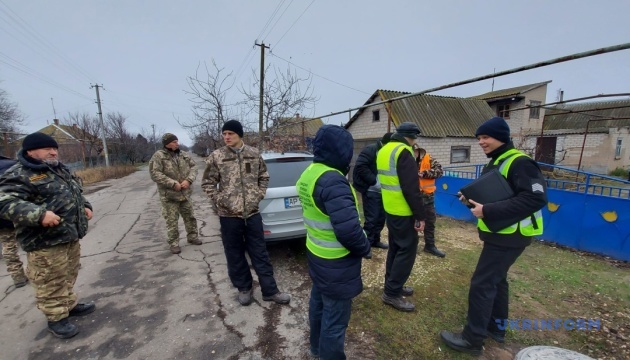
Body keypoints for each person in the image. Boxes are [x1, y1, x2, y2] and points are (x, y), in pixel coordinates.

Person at [439, 117, 547, 355]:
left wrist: (487, 210)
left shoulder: (521, 162)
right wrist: (472, 201)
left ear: (501, 137)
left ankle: (472, 339)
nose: (481, 142)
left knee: (482, 283)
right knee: (497, 280)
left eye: (485, 137)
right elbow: (498, 194)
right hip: (500, 233)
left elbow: (535, 198)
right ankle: (496, 328)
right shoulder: (497, 162)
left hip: (511, 235)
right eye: (478, 138)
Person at [0, 133, 95, 339]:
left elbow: (74, 191)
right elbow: (5, 202)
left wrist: (85, 205)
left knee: (68, 273)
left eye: (54, 149)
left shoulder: (58, 169)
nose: (53, 152)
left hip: (68, 235)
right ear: (30, 151)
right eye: (46, 149)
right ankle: (55, 319)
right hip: (44, 241)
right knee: (49, 280)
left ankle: (68, 305)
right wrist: (39, 214)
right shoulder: (19, 173)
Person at [297, 125, 371, 360]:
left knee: (318, 305)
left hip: (316, 254)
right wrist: (366, 247)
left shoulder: (310, 172)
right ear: (342, 152)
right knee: (335, 320)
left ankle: (316, 350)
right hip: (337, 263)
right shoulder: (333, 181)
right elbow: (349, 232)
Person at [201, 120, 290, 306]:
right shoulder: (217, 156)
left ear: (239, 135)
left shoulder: (253, 154)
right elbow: (208, 183)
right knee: (234, 254)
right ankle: (244, 288)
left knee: (260, 253)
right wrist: (220, 200)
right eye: (224, 134)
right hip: (229, 216)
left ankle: (270, 291)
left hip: (252, 213)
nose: (226, 137)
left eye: (230, 134)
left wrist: (258, 195)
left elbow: (263, 176)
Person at [376, 122, 426, 312]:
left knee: (395, 249)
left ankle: (392, 285)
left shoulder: (385, 149)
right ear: (412, 137)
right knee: (406, 251)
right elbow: (411, 189)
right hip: (404, 211)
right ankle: (392, 293)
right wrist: (420, 215)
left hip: (390, 208)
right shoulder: (404, 152)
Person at [149, 133, 201, 254]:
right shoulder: (159, 156)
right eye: (174, 142)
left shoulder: (183, 154)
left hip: (185, 193)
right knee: (172, 220)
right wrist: (172, 183)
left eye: (177, 141)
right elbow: (155, 173)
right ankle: (174, 243)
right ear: (166, 143)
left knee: (190, 217)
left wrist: (189, 180)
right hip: (169, 196)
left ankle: (192, 237)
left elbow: (194, 167)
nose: (177, 144)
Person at [352, 132, 392, 251]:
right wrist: (373, 181)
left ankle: (376, 241)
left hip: (383, 192)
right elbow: (360, 166)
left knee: (380, 218)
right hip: (371, 191)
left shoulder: (388, 152)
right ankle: (366, 246)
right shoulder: (371, 149)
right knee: (372, 219)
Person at [411, 143, 446, 258]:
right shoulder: (407, 160)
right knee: (412, 223)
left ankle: (430, 246)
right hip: (412, 197)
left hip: (427, 198)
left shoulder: (429, 159)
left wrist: (425, 173)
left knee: (430, 222)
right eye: (413, 151)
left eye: (416, 151)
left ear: (420, 151)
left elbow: (440, 171)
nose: (414, 153)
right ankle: (412, 247)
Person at [0, 155, 28, 288]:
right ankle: (40, 271)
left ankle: (18, 277)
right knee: (32, 239)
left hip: (1, 216)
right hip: (19, 210)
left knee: (8, 245)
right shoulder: (12, 164)